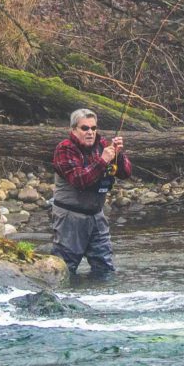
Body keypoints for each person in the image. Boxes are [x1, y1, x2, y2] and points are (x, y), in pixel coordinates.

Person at [48, 108, 131, 277]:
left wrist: (118, 155)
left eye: (93, 128)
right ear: (73, 130)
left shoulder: (102, 146)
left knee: (105, 268)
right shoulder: (64, 149)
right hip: (70, 217)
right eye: (84, 128)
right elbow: (79, 180)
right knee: (64, 269)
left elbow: (126, 173)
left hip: (97, 217)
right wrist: (103, 161)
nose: (90, 132)